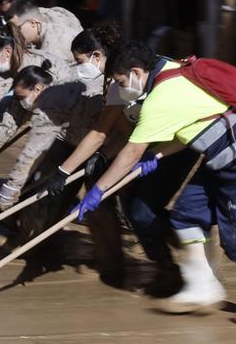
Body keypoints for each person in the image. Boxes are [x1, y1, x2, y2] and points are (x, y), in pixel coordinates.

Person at [74, 41, 236, 326]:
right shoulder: (171, 68)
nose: (120, 88)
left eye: (121, 82)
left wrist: (98, 191)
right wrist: (156, 155)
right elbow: (188, 125)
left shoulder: (160, 98)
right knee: (187, 217)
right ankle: (203, 288)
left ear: (136, 72)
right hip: (222, 158)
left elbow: (130, 152)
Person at [39, 24, 191, 293]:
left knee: (141, 211)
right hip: (142, 147)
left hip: (174, 146)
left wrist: (80, 179)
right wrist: (72, 168)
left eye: (80, 61)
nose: (79, 69)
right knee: (134, 209)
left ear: (97, 56)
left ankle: (181, 250)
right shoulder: (117, 84)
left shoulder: (133, 75)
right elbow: (109, 131)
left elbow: (115, 137)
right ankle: (168, 259)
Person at [0, 62, 102, 212]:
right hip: (78, 137)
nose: (22, 103)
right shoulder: (56, 84)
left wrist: (10, 190)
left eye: (22, 97)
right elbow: (10, 122)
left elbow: (32, 153)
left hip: (96, 142)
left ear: (38, 89)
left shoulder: (50, 105)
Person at [5, 0, 83, 77]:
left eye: (18, 28)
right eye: (11, 29)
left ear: (32, 23)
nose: (14, 33)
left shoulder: (54, 47)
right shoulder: (44, 20)